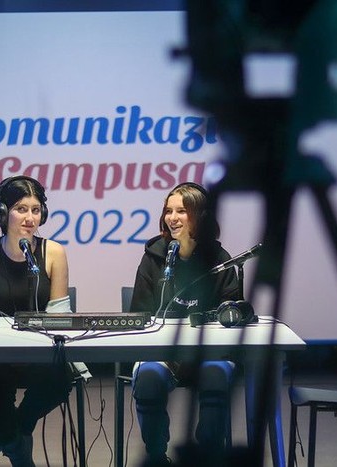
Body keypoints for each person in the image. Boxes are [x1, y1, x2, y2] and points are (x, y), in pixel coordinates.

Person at [130, 182, 242, 466]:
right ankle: (157, 456)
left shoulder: (219, 260)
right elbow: (139, 315)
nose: (172, 217)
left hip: (208, 354)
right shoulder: (154, 258)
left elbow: (231, 316)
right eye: (168, 211)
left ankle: (206, 456)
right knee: (148, 377)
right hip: (163, 354)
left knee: (217, 373)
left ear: (201, 217)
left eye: (181, 211)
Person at [0, 175, 72, 467]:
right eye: (21, 209)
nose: (29, 218)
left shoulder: (54, 252)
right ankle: (19, 450)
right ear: (2, 212)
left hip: (38, 353)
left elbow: (60, 313)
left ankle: (4, 435)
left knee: (62, 376)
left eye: (35, 210)